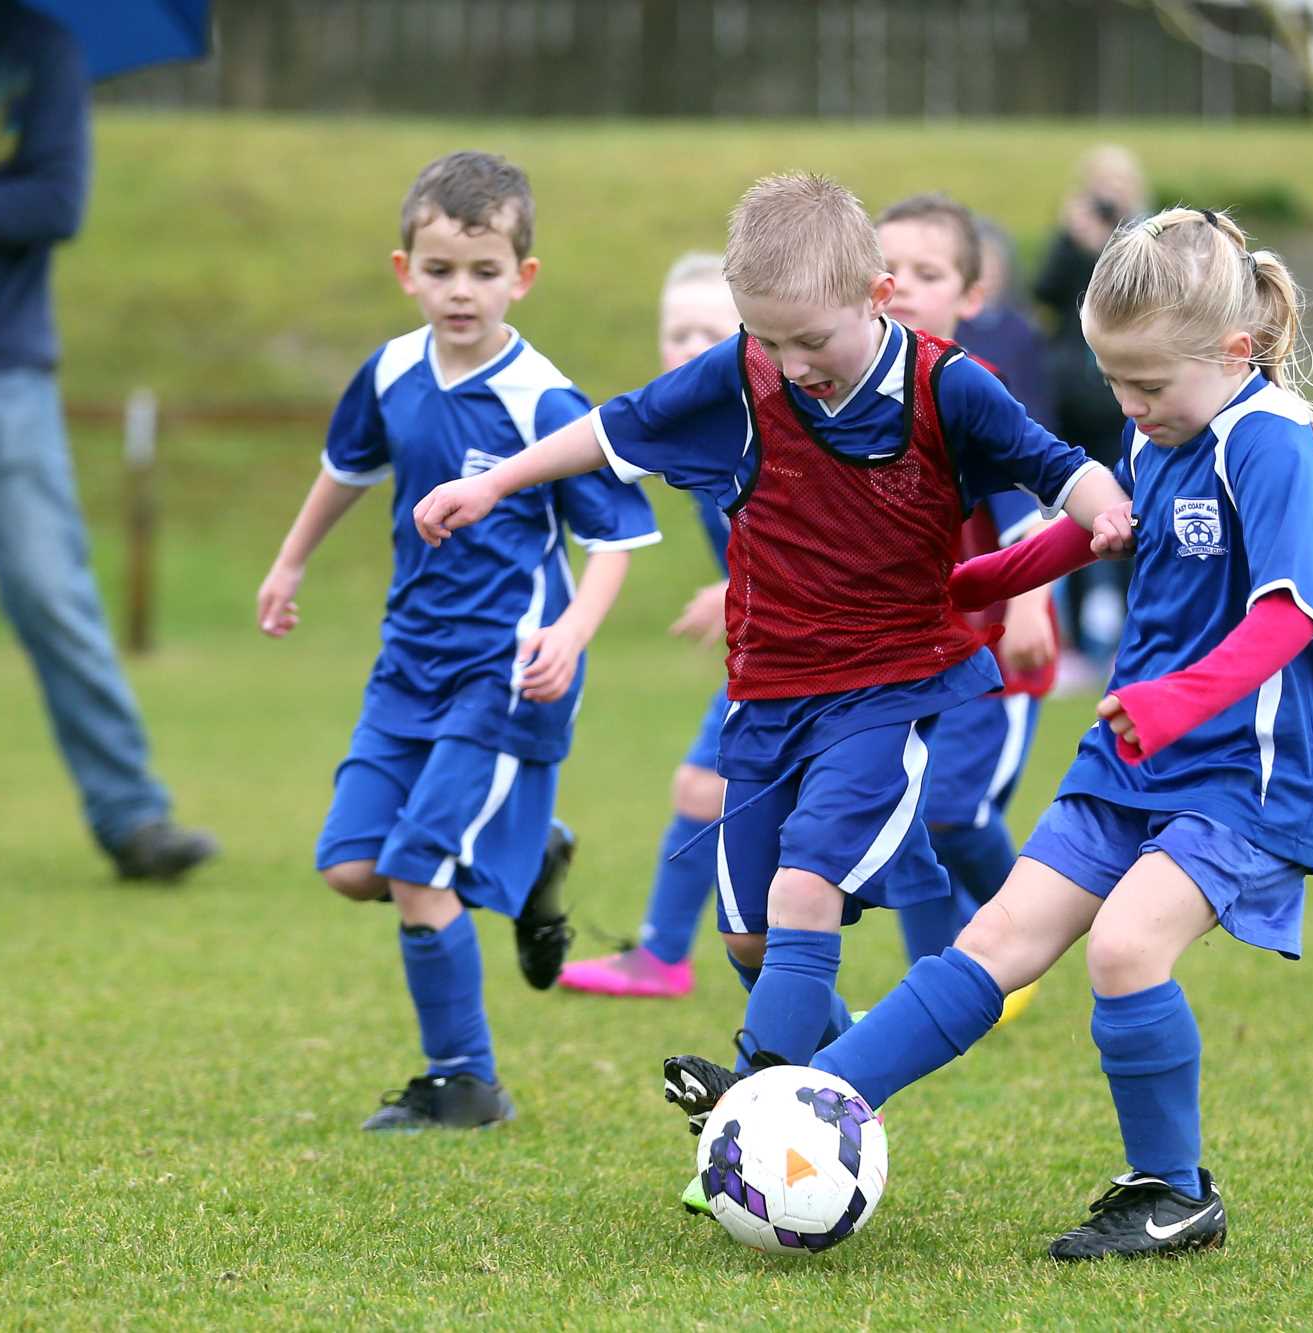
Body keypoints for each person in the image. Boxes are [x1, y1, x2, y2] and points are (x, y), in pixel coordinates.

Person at [668, 206, 1313, 1262]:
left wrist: (1174, 702)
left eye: (1147, 388)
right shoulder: (1165, 425)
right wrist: (979, 579)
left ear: (1233, 349)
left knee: (1124, 949)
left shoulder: (1268, 443)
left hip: (1245, 769)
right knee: (990, 942)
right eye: (1115, 385)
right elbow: (1107, 526)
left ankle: (1172, 1192)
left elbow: (1290, 612)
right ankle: (806, 1099)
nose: (1127, 408)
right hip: (1133, 756)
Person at [410, 172, 1131, 1125]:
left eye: (811, 340)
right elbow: (614, 428)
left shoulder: (946, 384)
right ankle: (823, 1093)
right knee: (749, 937)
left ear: (875, 298)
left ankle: (755, 1093)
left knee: (804, 890)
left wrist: (1103, 510)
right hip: (764, 699)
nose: (791, 364)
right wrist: (498, 481)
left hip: (884, 691)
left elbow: (1057, 466)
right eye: (769, 339)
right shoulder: (746, 372)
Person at [256, 152, 661, 1130]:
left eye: (483, 272)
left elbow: (615, 537)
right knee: (351, 866)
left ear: (522, 276)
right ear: (404, 271)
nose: (460, 291)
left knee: (415, 870)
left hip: (504, 672)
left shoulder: (544, 402)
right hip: (407, 665)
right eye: (440, 271)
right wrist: (290, 561)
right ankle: (530, 872)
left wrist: (570, 630)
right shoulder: (391, 371)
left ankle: (462, 1081)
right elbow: (344, 468)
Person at [0, 0, 217, 881]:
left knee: (50, 594)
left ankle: (133, 816)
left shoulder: (40, 50)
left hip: (1, 373)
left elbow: (55, 201)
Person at [875, 194, 1054, 1030]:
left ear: (971, 298)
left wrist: (1027, 606)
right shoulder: (854, 393)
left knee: (949, 808)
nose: (903, 286)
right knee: (904, 817)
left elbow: (1034, 507)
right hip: (909, 660)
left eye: (929, 273)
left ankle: (1034, 929)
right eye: (889, 270)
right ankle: (934, 984)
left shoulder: (971, 389)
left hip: (992, 659)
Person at [558, 254, 743, 998]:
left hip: (829, 646)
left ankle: (980, 946)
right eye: (677, 331)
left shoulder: (764, 427)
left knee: (901, 820)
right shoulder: (682, 425)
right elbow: (601, 455)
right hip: (768, 648)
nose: (691, 345)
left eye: (711, 330)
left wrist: (737, 588)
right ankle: (663, 954)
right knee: (702, 788)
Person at [1034, 145, 1151, 681]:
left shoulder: (1151, 242)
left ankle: (1137, 632)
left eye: (1117, 185)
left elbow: (1138, 299)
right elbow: (1047, 293)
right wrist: (1074, 239)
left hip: (1128, 406)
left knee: (1140, 514)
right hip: (1075, 399)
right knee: (1082, 514)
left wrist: (1109, 242)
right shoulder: (1072, 240)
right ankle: (1081, 640)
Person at [955, 217, 1057, 437]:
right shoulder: (952, 327)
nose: (989, 275)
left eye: (995, 267)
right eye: (982, 266)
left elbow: (1035, 396)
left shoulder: (1022, 330)